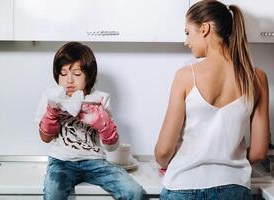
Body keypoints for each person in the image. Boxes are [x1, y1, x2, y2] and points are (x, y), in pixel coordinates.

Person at [154, 1, 270, 199]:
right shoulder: (257, 78)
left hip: (183, 185)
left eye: (188, 32)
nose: (186, 41)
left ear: (204, 29)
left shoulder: (186, 75)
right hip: (234, 187)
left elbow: (163, 151)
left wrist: (165, 163)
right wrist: (230, 163)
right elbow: (259, 152)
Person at [35, 42, 144, 200]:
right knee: (53, 195)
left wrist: (104, 124)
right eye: (63, 73)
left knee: (133, 191)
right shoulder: (51, 98)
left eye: (77, 74)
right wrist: (51, 114)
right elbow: (45, 138)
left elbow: (111, 147)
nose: (69, 80)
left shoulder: (100, 99)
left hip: (95, 161)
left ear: (89, 75)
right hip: (61, 162)